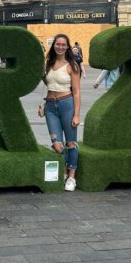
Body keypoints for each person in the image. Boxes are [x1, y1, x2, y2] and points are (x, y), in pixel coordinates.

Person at [43, 34, 81, 192]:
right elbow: (47, 84)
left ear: (67, 46)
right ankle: (64, 171)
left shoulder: (72, 65)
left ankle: (71, 176)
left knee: (70, 142)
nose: (60, 47)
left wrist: (77, 114)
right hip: (50, 106)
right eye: (57, 44)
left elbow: (77, 92)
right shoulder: (49, 64)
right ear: (54, 46)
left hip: (67, 104)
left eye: (63, 45)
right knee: (57, 145)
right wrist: (42, 103)